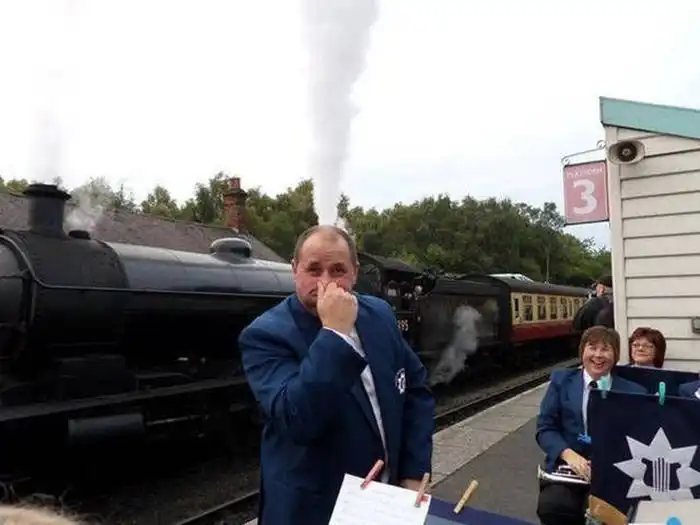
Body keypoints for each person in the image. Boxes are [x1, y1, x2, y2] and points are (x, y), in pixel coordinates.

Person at [238, 225, 435, 525]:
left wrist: (414, 471)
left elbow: (415, 389)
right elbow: (298, 419)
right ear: (295, 269)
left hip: (383, 505)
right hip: (313, 512)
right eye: (314, 269)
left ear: (355, 272)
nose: (326, 282)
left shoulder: (379, 315)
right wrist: (335, 334)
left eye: (338, 270)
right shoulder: (266, 335)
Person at [535, 326, 646, 525]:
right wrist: (568, 454)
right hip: (568, 467)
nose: (598, 355)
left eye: (605, 349)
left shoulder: (633, 392)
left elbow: (638, 436)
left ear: (615, 355)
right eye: (592, 348)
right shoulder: (562, 381)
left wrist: (607, 463)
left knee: (600, 517)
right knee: (553, 507)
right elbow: (545, 427)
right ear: (582, 352)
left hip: (612, 473)